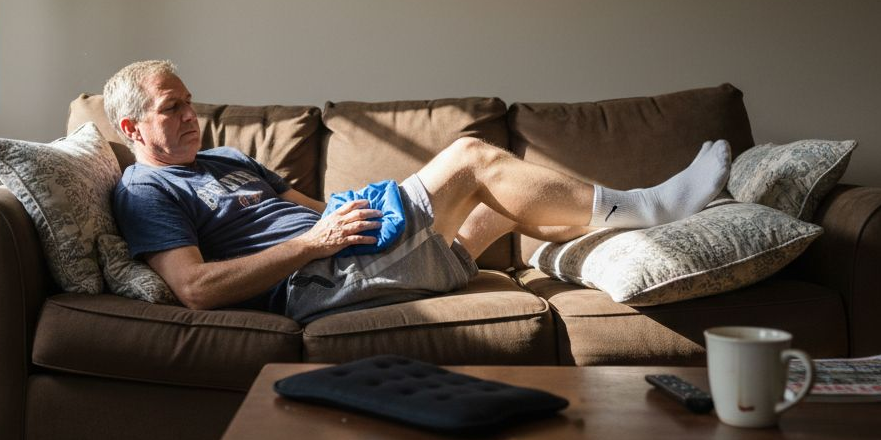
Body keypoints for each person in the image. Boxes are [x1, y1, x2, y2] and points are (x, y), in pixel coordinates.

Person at [107, 60, 731, 323]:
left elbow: (313, 212)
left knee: (503, 205)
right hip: (319, 280)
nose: (190, 115)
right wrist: (314, 244)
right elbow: (194, 289)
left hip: (349, 249)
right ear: (132, 128)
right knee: (470, 157)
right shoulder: (144, 189)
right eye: (171, 108)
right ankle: (648, 206)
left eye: (189, 102)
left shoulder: (224, 158)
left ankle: (636, 238)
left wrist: (349, 215)